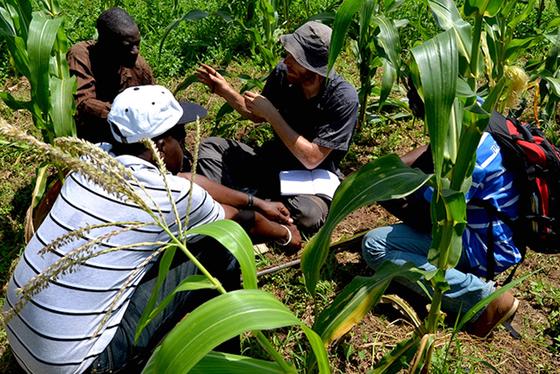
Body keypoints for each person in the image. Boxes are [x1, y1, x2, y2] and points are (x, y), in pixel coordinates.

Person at [4, 85, 300, 373]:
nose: (185, 145)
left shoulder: (89, 162)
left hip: (21, 340)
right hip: (85, 364)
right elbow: (235, 222)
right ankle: (225, 360)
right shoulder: (174, 199)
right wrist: (285, 235)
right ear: (158, 146)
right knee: (219, 248)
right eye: (180, 136)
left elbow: (183, 179)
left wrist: (257, 201)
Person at [361, 95, 522, 338]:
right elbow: (428, 150)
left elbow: (428, 215)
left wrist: (384, 191)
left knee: (375, 246)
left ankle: (484, 299)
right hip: (499, 235)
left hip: (481, 247)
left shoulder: (467, 158)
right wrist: (389, 169)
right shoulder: (471, 108)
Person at [195, 21, 359, 233]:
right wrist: (225, 90)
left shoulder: (343, 98)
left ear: (313, 68)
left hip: (311, 178)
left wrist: (273, 114)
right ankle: (259, 204)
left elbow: (312, 158)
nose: (286, 60)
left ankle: (244, 204)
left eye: (295, 58)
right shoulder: (284, 74)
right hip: (271, 162)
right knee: (210, 149)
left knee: (309, 215)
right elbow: (257, 114)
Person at [67, 7, 155, 143]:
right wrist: (124, 115)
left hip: (132, 134)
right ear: (106, 43)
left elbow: (154, 101)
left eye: (137, 44)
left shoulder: (138, 66)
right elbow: (83, 105)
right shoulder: (82, 55)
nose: (135, 51)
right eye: (127, 46)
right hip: (95, 136)